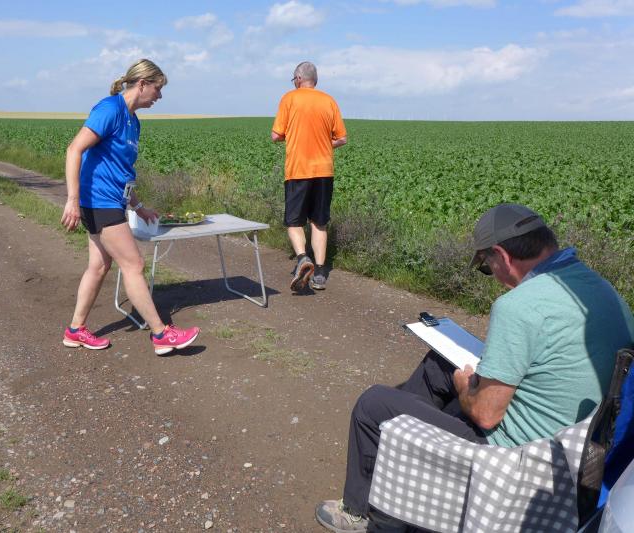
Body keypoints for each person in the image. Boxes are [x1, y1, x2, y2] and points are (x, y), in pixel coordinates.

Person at [315, 203, 634, 532]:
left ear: (502, 256)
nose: (492, 276)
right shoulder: (601, 289)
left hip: (522, 455)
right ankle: (404, 477)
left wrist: (465, 389)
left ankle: (360, 510)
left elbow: (485, 414)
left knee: (373, 404)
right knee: (439, 364)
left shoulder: (518, 306)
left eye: (486, 267)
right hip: (584, 446)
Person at [60, 59, 200, 355]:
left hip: (110, 200)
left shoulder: (133, 121)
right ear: (142, 84)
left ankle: (75, 330)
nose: (159, 96)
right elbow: (74, 149)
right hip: (98, 201)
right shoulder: (110, 109)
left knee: (99, 266)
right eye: (157, 89)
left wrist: (138, 207)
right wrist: (72, 200)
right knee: (133, 265)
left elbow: (120, 172)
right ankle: (161, 334)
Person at [271, 61, 347, 292]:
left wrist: (295, 137)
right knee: (319, 222)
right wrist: (321, 143)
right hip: (324, 171)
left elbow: (276, 135)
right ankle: (320, 273)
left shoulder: (289, 98)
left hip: (298, 170)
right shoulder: (329, 101)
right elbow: (342, 138)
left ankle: (303, 258)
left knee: (294, 222)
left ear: (298, 78)